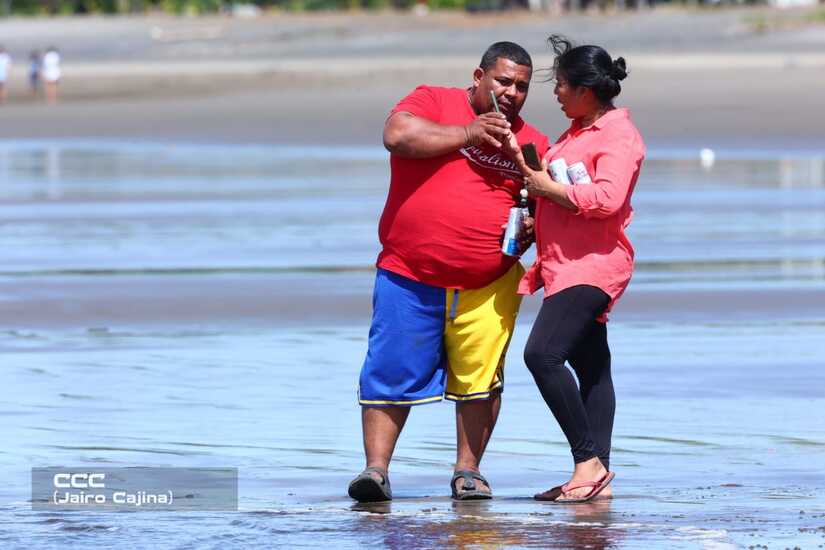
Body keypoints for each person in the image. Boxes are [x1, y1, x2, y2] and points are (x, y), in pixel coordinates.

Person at [348, 41, 549, 502]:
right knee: (389, 372)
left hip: (488, 282)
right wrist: (468, 133)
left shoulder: (533, 139)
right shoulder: (433, 100)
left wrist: (535, 223)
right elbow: (396, 135)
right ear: (478, 77)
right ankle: (375, 472)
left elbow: (541, 198)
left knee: (481, 380)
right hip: (408, 273)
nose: (512, 92)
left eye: (521, 86)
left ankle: (468, 472)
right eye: (503, 81)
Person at [505, 35, 645, 503]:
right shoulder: (575, 131)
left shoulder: (618, 135)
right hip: (562, 264)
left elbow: (606, 199)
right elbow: (557, 189)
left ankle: (587, 461)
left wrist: (547, 188)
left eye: (561, 84)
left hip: (595, 266)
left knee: (541, 355)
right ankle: (595, 481)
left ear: (586, 88)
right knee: (592, 367)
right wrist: (534, 207)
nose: (556, 92)